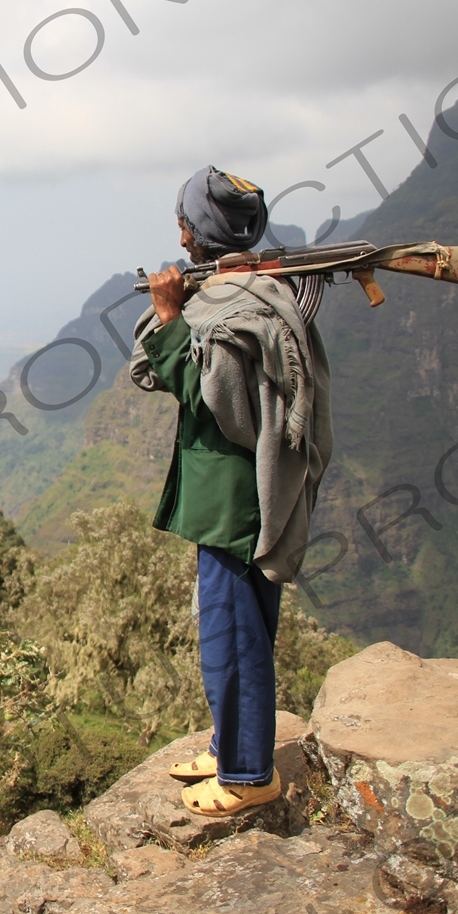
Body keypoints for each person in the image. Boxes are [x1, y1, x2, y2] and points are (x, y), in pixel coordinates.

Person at [130, 166, 333, 817]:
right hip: (230, 496)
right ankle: (230, 744)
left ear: (205, 231)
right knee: (236, 631)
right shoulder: (242, 291)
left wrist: (167, 320)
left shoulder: (237, 304)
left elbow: (208, 394)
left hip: (234, 503)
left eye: (186, 223)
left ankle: (249, 775)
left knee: (232, 638)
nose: (181, 235)